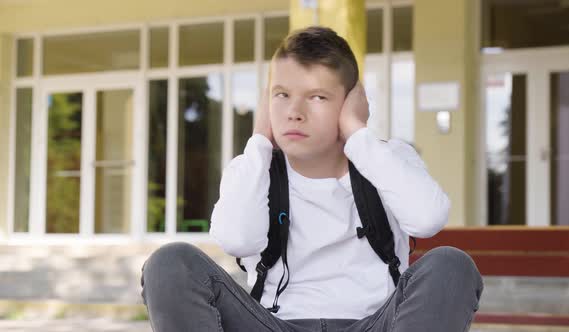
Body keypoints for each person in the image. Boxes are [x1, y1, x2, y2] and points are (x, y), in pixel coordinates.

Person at [141, 26, 483, 332]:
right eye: (282, 95)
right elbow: (237, 241)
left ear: (353, 101)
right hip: (274, 324)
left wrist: (358, 135)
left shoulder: (387, 160)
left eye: (317, 96)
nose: (294, 112)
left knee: (451, 265)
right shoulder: (253, 168)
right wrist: (260, 141)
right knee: (170, 264)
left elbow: (428, 219)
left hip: (376, 324)